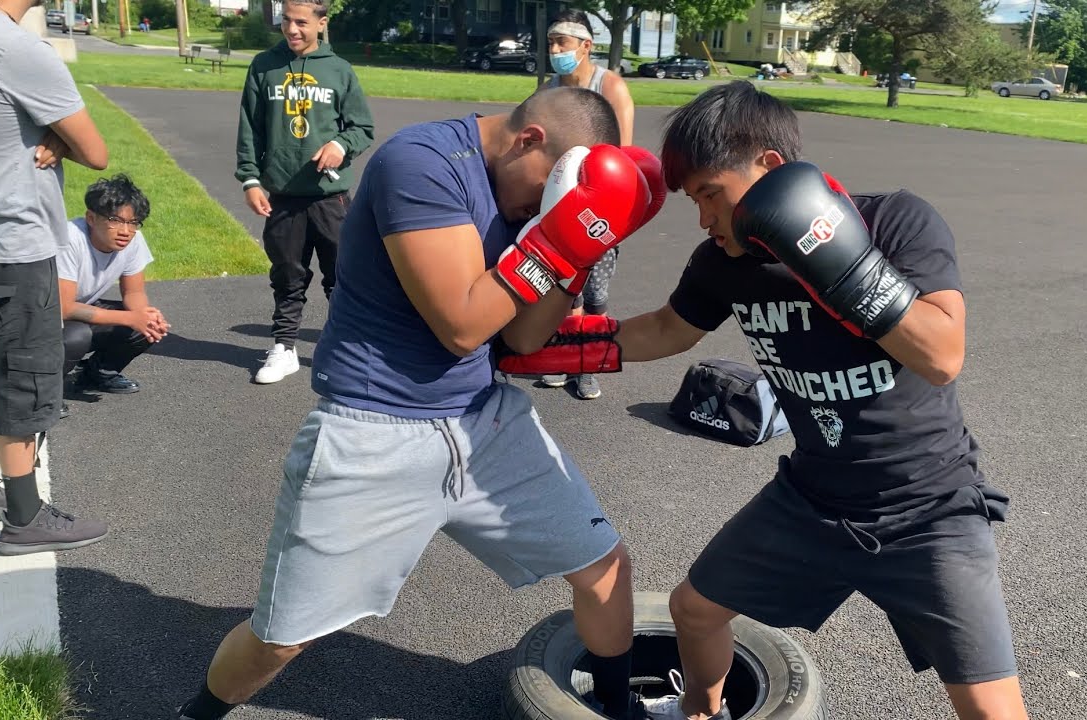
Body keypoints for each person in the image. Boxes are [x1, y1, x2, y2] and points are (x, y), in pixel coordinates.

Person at [500, 81, 1030, 720]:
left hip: (927, 507)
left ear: (770, 168)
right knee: (693, 611)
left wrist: (834, 259)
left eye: (711, 195)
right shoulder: (725, 262)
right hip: (810, 499)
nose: (704, 218)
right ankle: (703, 712)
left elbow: (942, 355)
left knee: (991, 709)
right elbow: (670, 329)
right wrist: (552, 347)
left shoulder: (894, 221)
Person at [174, 87, 665, 720]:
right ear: (529, 140)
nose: (535, 210)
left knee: (604, 568)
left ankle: (620, 710)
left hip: (486, 420)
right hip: (375, 429)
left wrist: (582, 247)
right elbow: (462, 325)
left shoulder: (536, 193)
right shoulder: (423, 163)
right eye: (541, 193)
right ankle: (198, 712)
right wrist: (560, 238)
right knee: (281, 639)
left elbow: (520, 335)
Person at [0, 0, 110, 554]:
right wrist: (61, 138)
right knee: (19, 378)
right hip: (11, 241)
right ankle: (25, 516)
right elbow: (96, 151)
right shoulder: (16, 47)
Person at [236, 0, 375, 385]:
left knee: (341, 276)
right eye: (286, 21)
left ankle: (348, 346)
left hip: (330, 197)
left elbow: (363, 127)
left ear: (321, 23)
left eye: (301, 22)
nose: (292, 30)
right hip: (282, 195)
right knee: (287, 274)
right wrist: (250, 179)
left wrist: (341, 145)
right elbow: (250, 127)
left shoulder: (339, 70)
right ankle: (284, 347)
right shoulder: (264, 65)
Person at [535, 8, 637, 400]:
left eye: (562, 42)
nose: (555, 49)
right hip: (558, 203)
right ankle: (565, 359)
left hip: (602, 205)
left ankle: (588, 362)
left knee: (595, 292)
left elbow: (624, 156)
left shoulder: (610, 88)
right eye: (551, 42)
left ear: (586, 46)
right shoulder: (547, 92)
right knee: (564, 288)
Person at [59, 175, 169, 402]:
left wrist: (143, 317)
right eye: (115, 220)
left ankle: (98, 373)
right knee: (76, 335)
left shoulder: (133, 240)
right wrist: (129, 318)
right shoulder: (70, 238)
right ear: (91, 217)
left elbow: (133, 293)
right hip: (40, 316)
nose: (125, 231)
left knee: (145, 324)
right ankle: (43, 392)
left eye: (133, 222)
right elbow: (64, 308)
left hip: (81, 309)